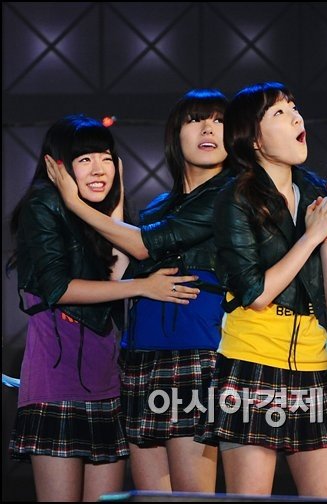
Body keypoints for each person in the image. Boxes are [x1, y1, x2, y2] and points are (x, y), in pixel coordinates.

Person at [46, 90, 233, 492]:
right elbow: (119, 276)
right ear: (175, 134)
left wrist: (76, 203)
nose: (208, 129)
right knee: (150, 495)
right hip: (140, 357)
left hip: (195, 353)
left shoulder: (230, 194)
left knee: (191, 495)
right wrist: (115, 208)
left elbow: (146, 245)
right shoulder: (158, 206)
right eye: (196, 120)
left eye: (219, 121)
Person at [7, 114, 196, 502]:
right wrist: (144, 286)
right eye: (85, 159)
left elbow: (114, 276)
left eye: (106, 159)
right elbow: (58, 288)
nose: (99, 169)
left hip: (106, 385)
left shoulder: (92, 214)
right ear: (57, 167)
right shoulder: (43, 205)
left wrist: (117, 204)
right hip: (57, 384)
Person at [195, 81, 327, 498]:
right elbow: (256, 294)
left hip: (314, 363)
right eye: (280, 113)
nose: (296, 118)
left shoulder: (315, 191)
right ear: (255, 140)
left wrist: (326, 236)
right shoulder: (234, 198)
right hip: (251, 361)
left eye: (294, 108)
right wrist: (311, 235)